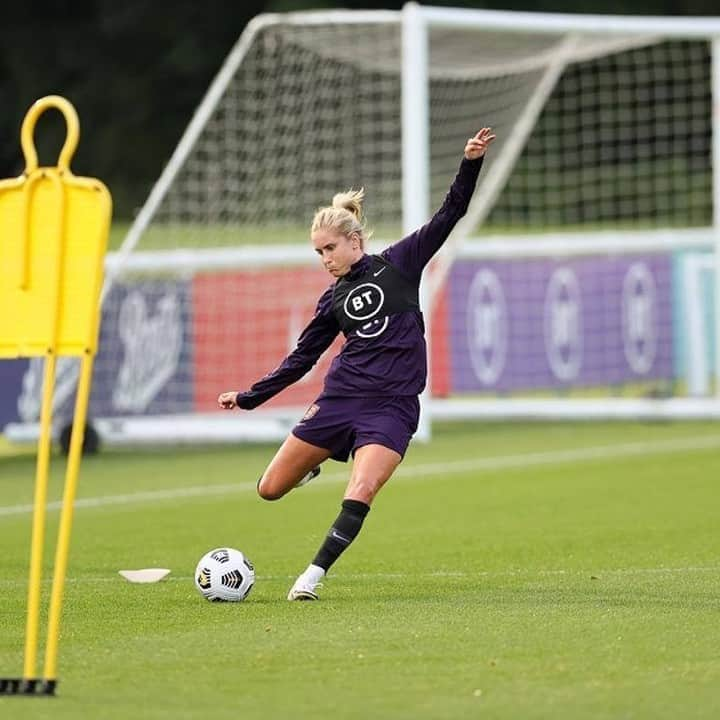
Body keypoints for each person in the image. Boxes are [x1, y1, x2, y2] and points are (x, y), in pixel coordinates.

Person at [218, 127, 496, 600]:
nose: (325, 259)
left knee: (362, 487)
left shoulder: (400, 263)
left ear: (354, 240)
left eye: (329, 249)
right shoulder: (331, 301)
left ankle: (312, 577)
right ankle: (315, 461)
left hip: (392, 408)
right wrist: (249, 398)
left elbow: (451, 213)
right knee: (269, 489)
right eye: (318, 252)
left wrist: (470, 162)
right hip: (341, 400)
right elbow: (301, 360)